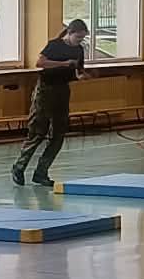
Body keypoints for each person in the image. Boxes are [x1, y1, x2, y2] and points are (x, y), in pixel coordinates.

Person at [12, 18, 88, 187]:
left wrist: (82, 76)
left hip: (63, 90)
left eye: (82, 38)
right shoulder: (55, 45)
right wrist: (63, 63)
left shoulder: (79, 50)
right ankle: (19, 166)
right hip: (46, 90)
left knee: (58, 135)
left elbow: (79, 70)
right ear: (69, 33)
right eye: (78, 37)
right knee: (38, 131)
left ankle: (41, 172)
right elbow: (40, 62)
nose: (79, 41)